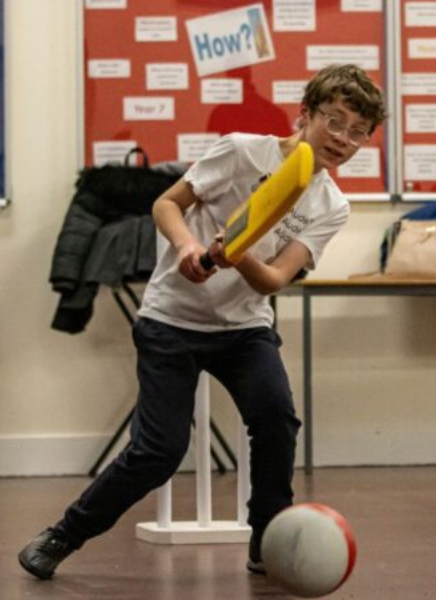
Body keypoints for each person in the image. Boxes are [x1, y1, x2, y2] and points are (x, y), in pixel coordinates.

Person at [19, 64, 386, 579]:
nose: (344, 139)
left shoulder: (332, 204)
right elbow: (166, 203)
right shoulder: (239, 150)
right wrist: (189, 244)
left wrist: (238, 257)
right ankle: (62, 535)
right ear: (305, 115)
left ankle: (267, 542)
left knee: (276, 420)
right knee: (158, 452)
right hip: (170, 320)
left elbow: (275, 279)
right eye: (335, 121)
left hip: (243, 330)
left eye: (358, 133)